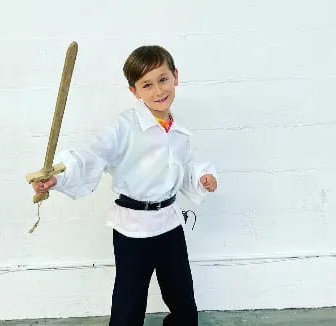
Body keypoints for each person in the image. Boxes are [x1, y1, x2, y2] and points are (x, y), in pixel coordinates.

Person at [32, 45, 218, 326]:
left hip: (169, 224)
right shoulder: (124, 126)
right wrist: (58, 177)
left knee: (182, 297)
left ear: (175, 76)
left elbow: (189, 165)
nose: (158, 91)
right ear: (135, 91)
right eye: (147, 84)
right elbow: (91, 154)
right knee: (129, 302)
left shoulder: (178, 130)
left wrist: (203, 178)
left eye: (163, 79)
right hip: (133, 228)